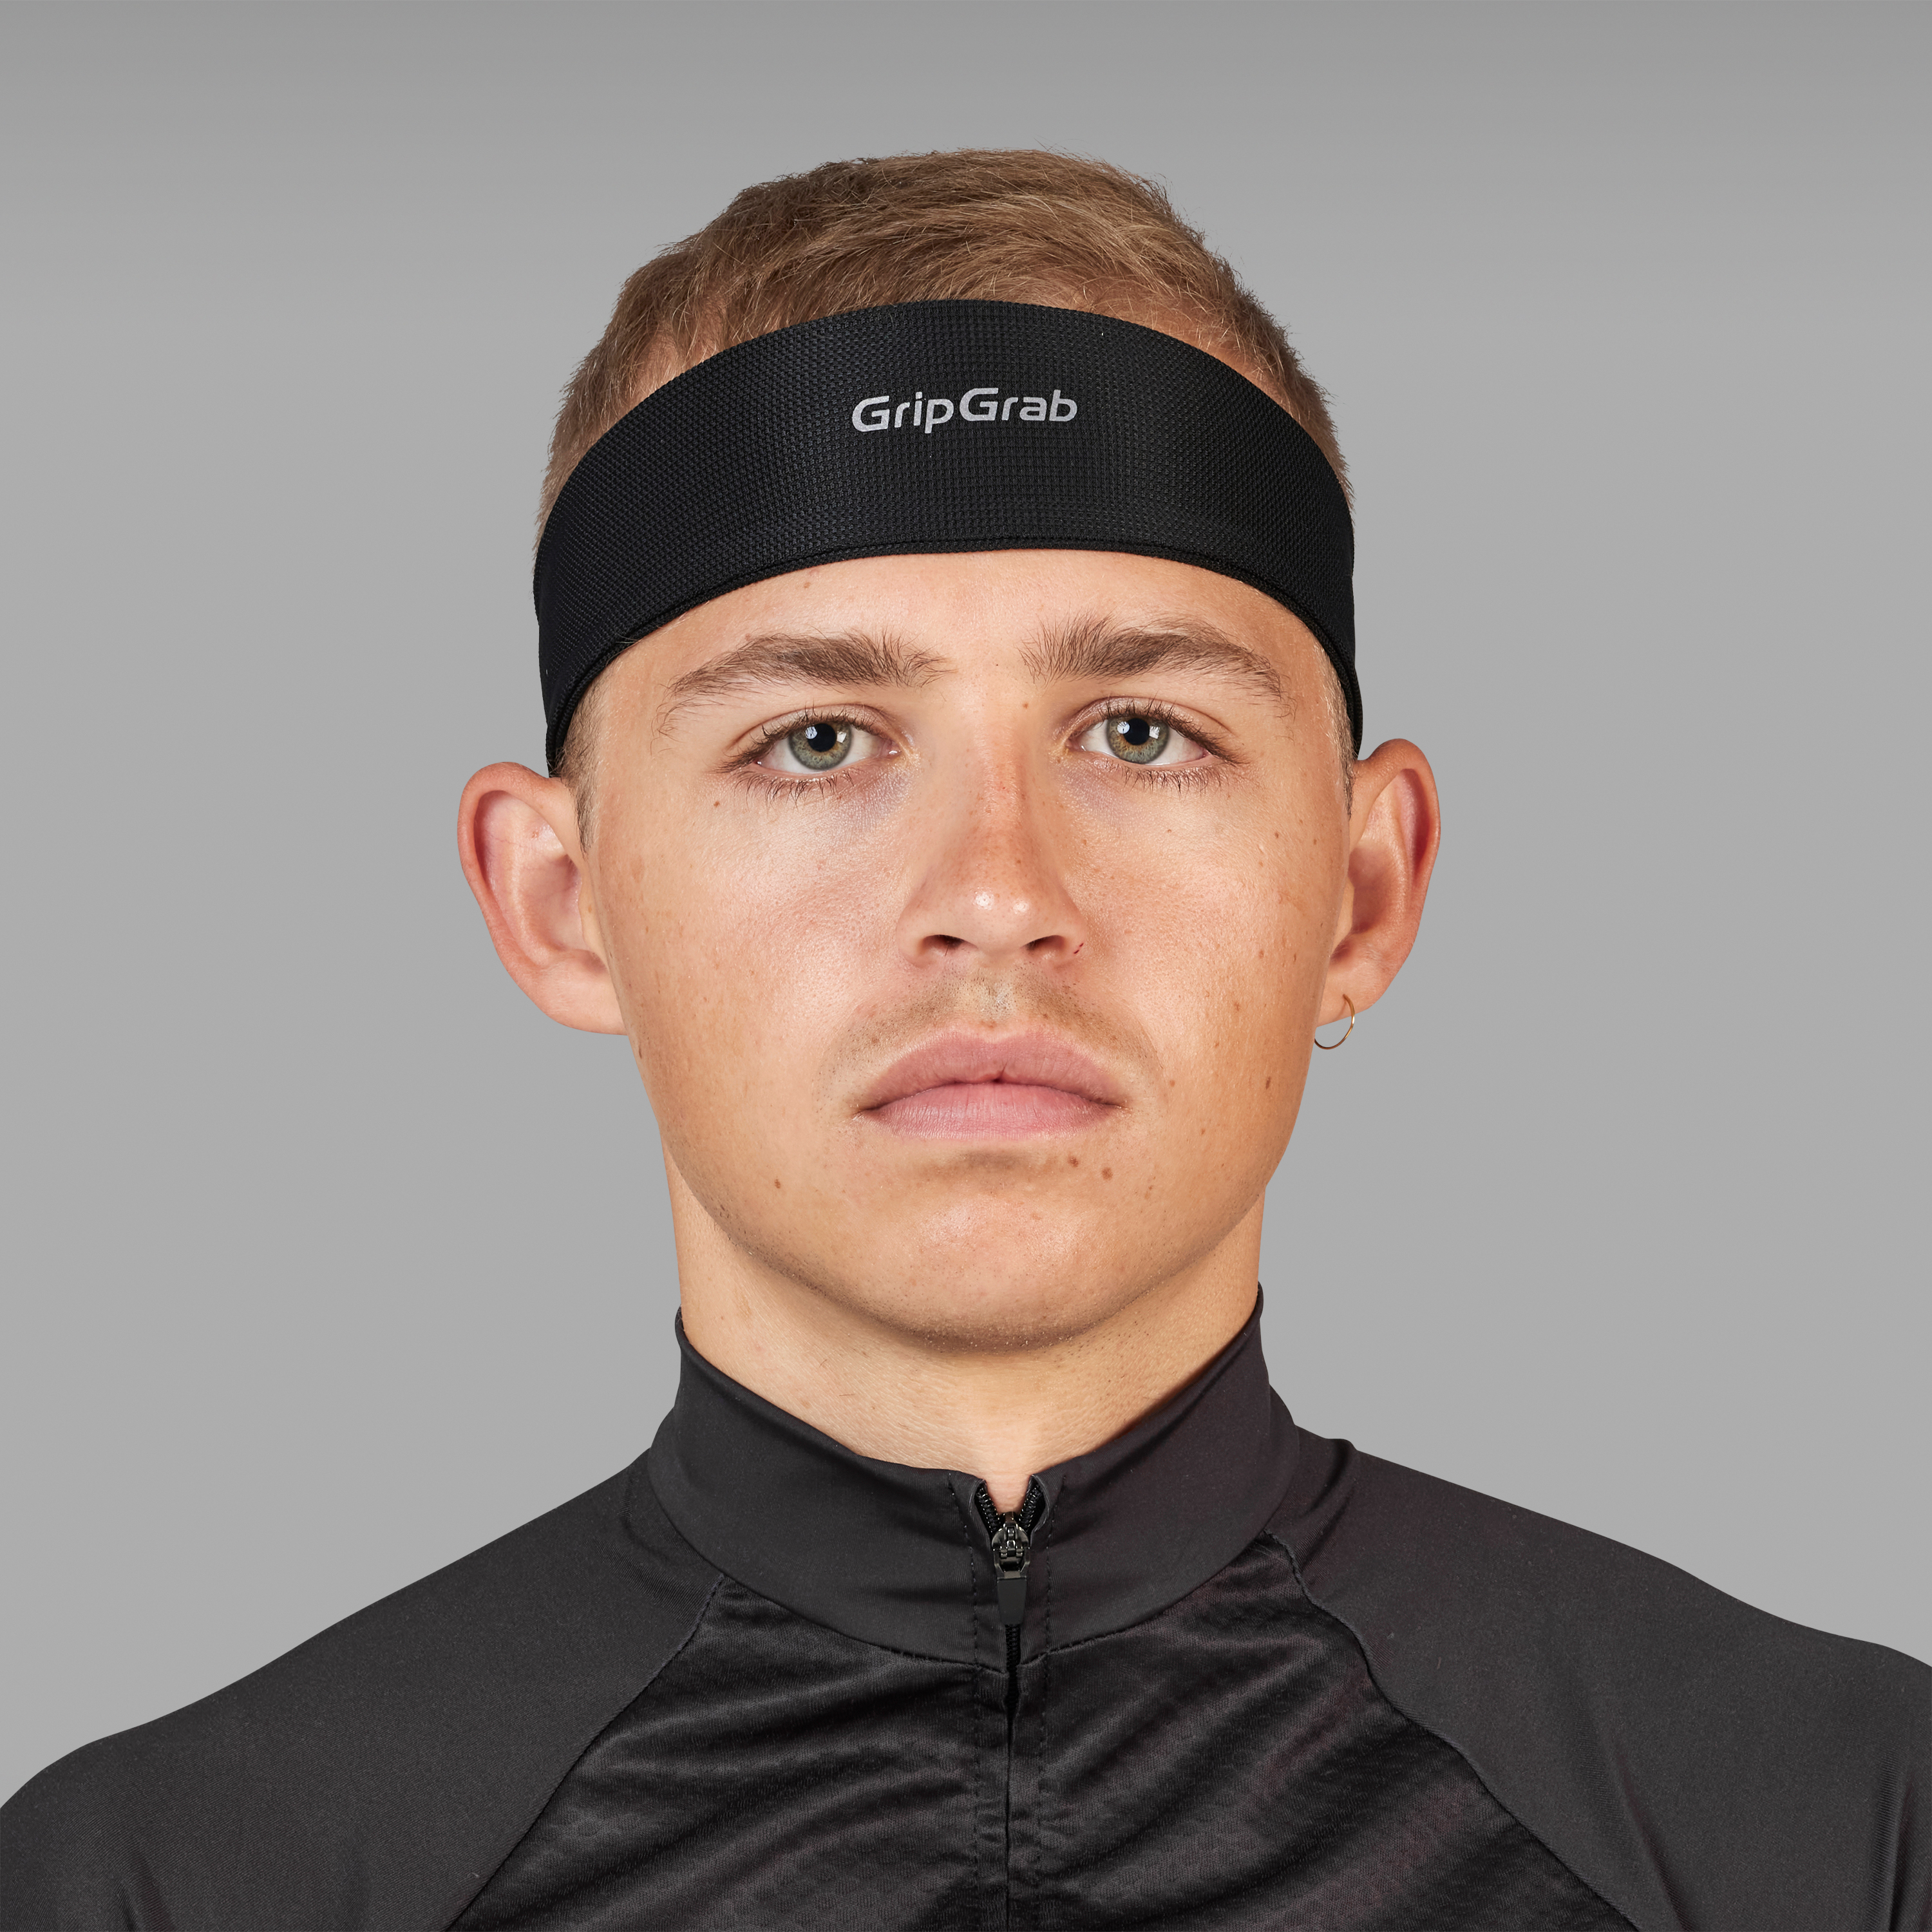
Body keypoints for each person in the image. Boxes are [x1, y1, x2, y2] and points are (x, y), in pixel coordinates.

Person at [3, 149, 1926, 1932]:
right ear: (562, 901)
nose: (998, 895)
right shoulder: (166, 1885)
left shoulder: (1837, 1833)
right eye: (816, 741)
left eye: (1142, 733)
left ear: (1362, 890)